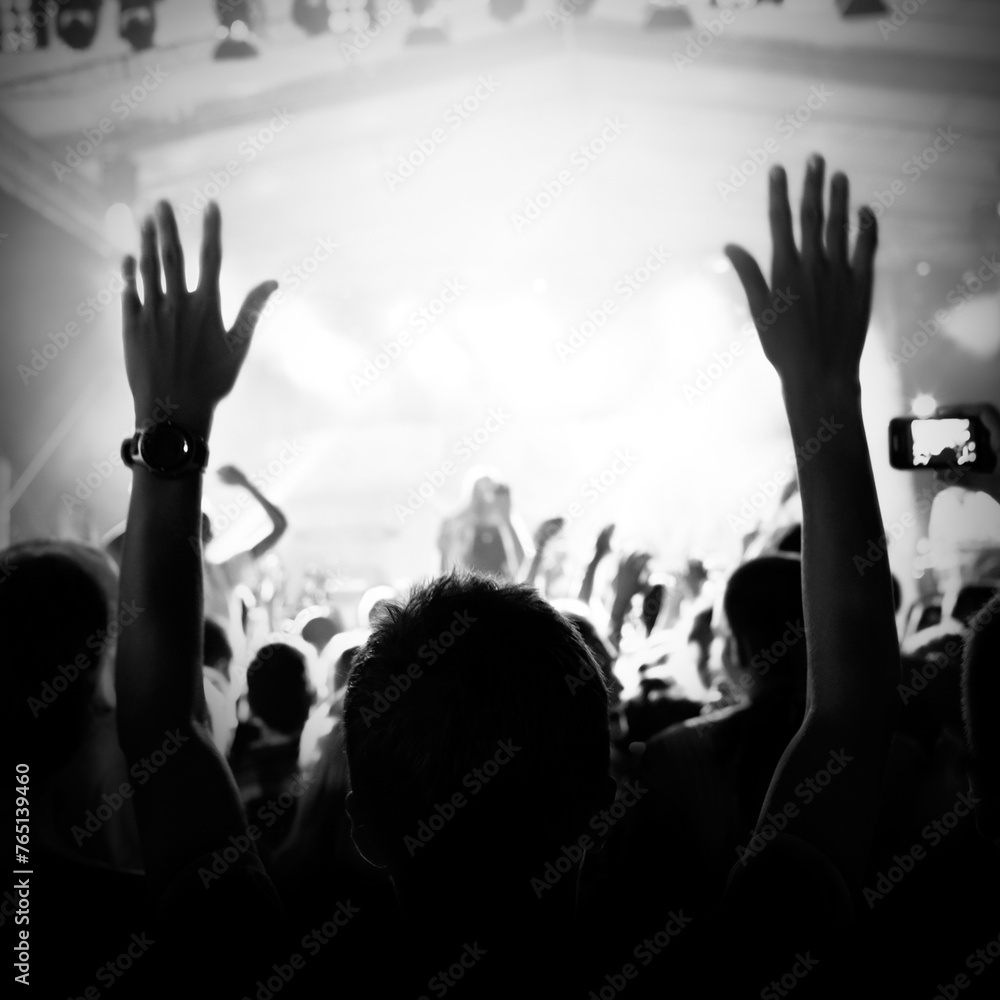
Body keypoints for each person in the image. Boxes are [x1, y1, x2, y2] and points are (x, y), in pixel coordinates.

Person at [437, 468, 532, 579]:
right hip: (468, 589)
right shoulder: (458, 525)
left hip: (500, 588)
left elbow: (523, 564)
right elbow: (445, 571)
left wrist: (506, 519)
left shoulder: (502, 525)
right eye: (479, 494)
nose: (485, 501)